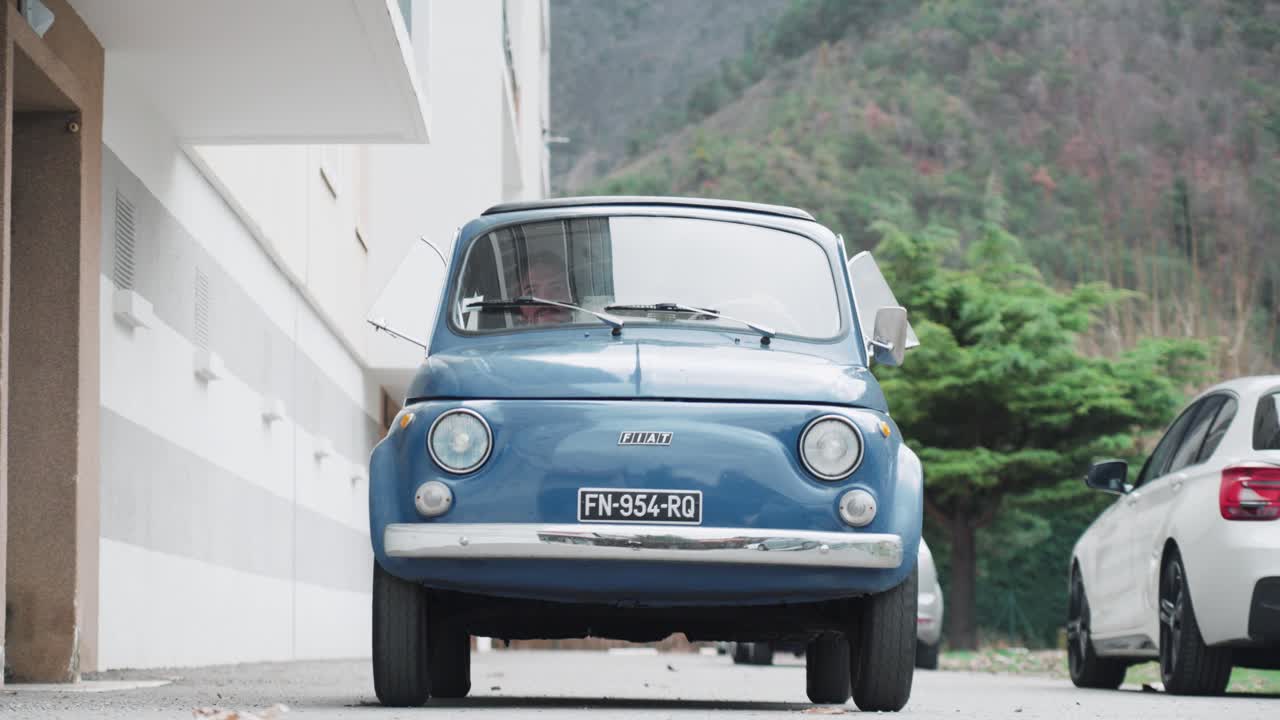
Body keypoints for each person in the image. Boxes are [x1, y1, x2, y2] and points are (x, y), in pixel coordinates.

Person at [517, 253, 573, 326]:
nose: (545, 299)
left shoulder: (590, 328)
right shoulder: (504, 335)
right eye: (531, 292)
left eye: (556, 289)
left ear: (571, 296)